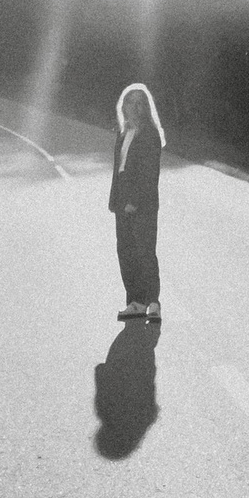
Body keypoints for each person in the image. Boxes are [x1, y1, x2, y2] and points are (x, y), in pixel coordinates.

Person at [108, 81, 167, 320]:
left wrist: (135, 200)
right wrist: (116, 201)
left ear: (146, 107)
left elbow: (149, 173)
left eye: (139, 103)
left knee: (144, 251)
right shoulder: (124, 133)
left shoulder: (150, 134)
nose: (134, 107)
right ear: (124, 106)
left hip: (142, 202)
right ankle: (135, 302)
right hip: (122, 199)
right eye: (130, 102)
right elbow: (118, 169)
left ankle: (153, 303)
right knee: (126, 251)